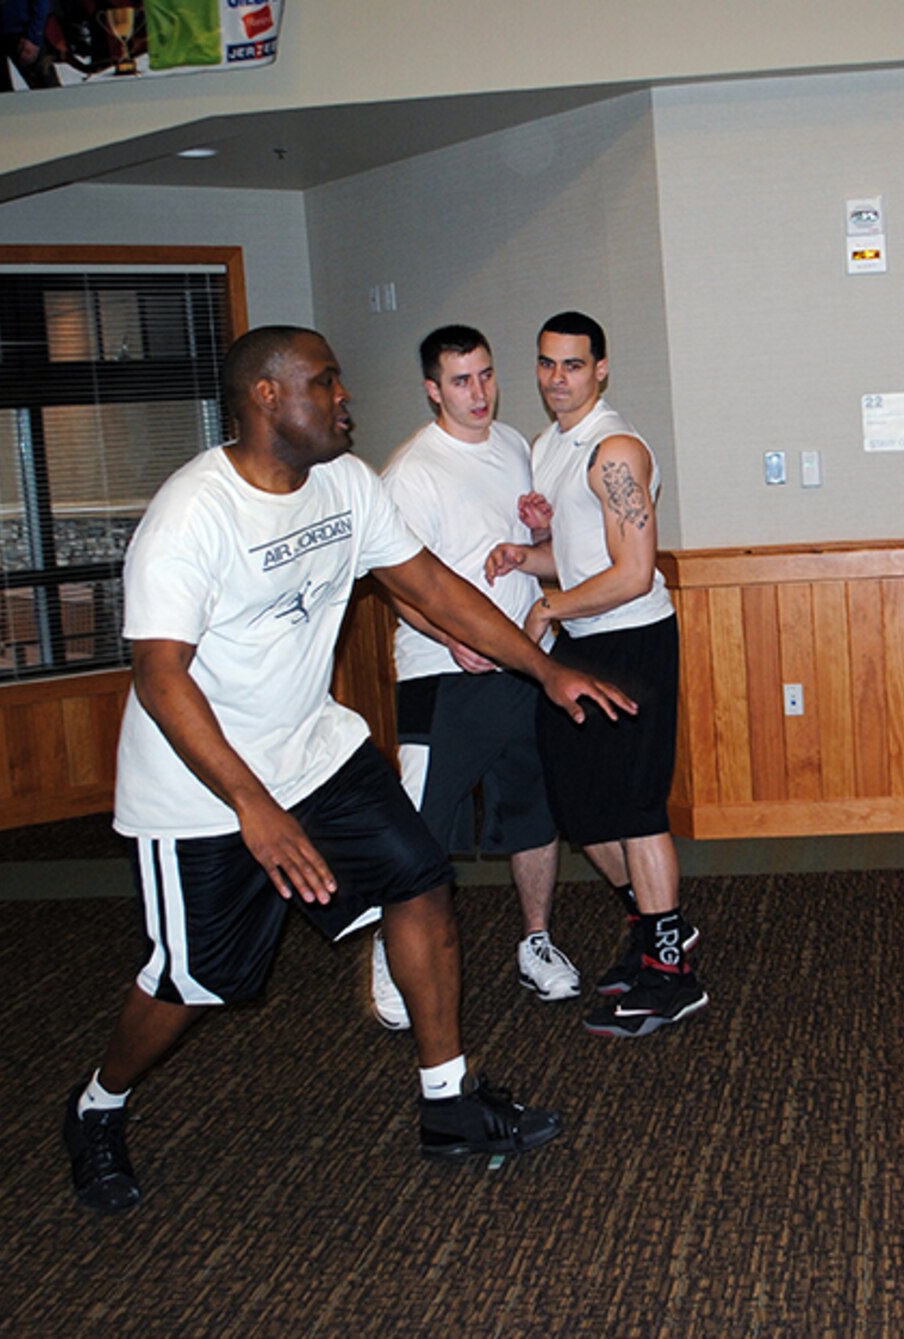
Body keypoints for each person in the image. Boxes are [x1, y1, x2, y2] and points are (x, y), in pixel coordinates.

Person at [60, 326, 634, 1214]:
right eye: (325, 382)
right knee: (196, 978)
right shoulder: (192, 514)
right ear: (266, 397)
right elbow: (160, 676)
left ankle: (447, 1100)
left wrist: (542, 668)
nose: (344, 398)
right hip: (201, 785)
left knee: (420, 875)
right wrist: (253, 806)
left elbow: (434, 588)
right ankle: (98, 1104)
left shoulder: (345, 484)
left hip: (316, 751)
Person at [485, 311, 705, 1038]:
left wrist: (548, 605)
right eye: (547, 363)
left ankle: (671, 976)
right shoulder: (550, 445)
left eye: (573, 364)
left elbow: (634, 573)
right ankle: (657, 928)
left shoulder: (615, 450)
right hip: (584, 641)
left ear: (601, 369)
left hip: (633, 642)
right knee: (582, 809)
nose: (557, 378)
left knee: (636, 809)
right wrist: (528, 557)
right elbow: (584, 558)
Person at [367, 325, 579, 1032]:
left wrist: (539, 531)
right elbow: (396, 583)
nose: (479, 392)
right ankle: (392, 950)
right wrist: (449, 636)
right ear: (433, 389)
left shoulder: (515, 445)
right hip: (442, 676)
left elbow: (532, 551)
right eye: (461, 380)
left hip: (521, 661)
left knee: (533, 813)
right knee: (420, 827)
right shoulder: (411, 472)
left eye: (486, 375)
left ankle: (537, 941)